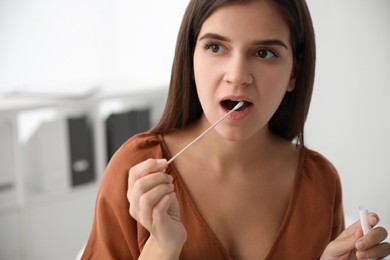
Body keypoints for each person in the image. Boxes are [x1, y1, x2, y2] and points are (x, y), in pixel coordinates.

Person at [82, 0, 390, 259]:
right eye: (216, 47)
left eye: (264, 53)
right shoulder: (136, 169)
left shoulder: (320, 182)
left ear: (294, 72)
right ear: (191, 58)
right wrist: (162, 248)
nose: (238, 76)